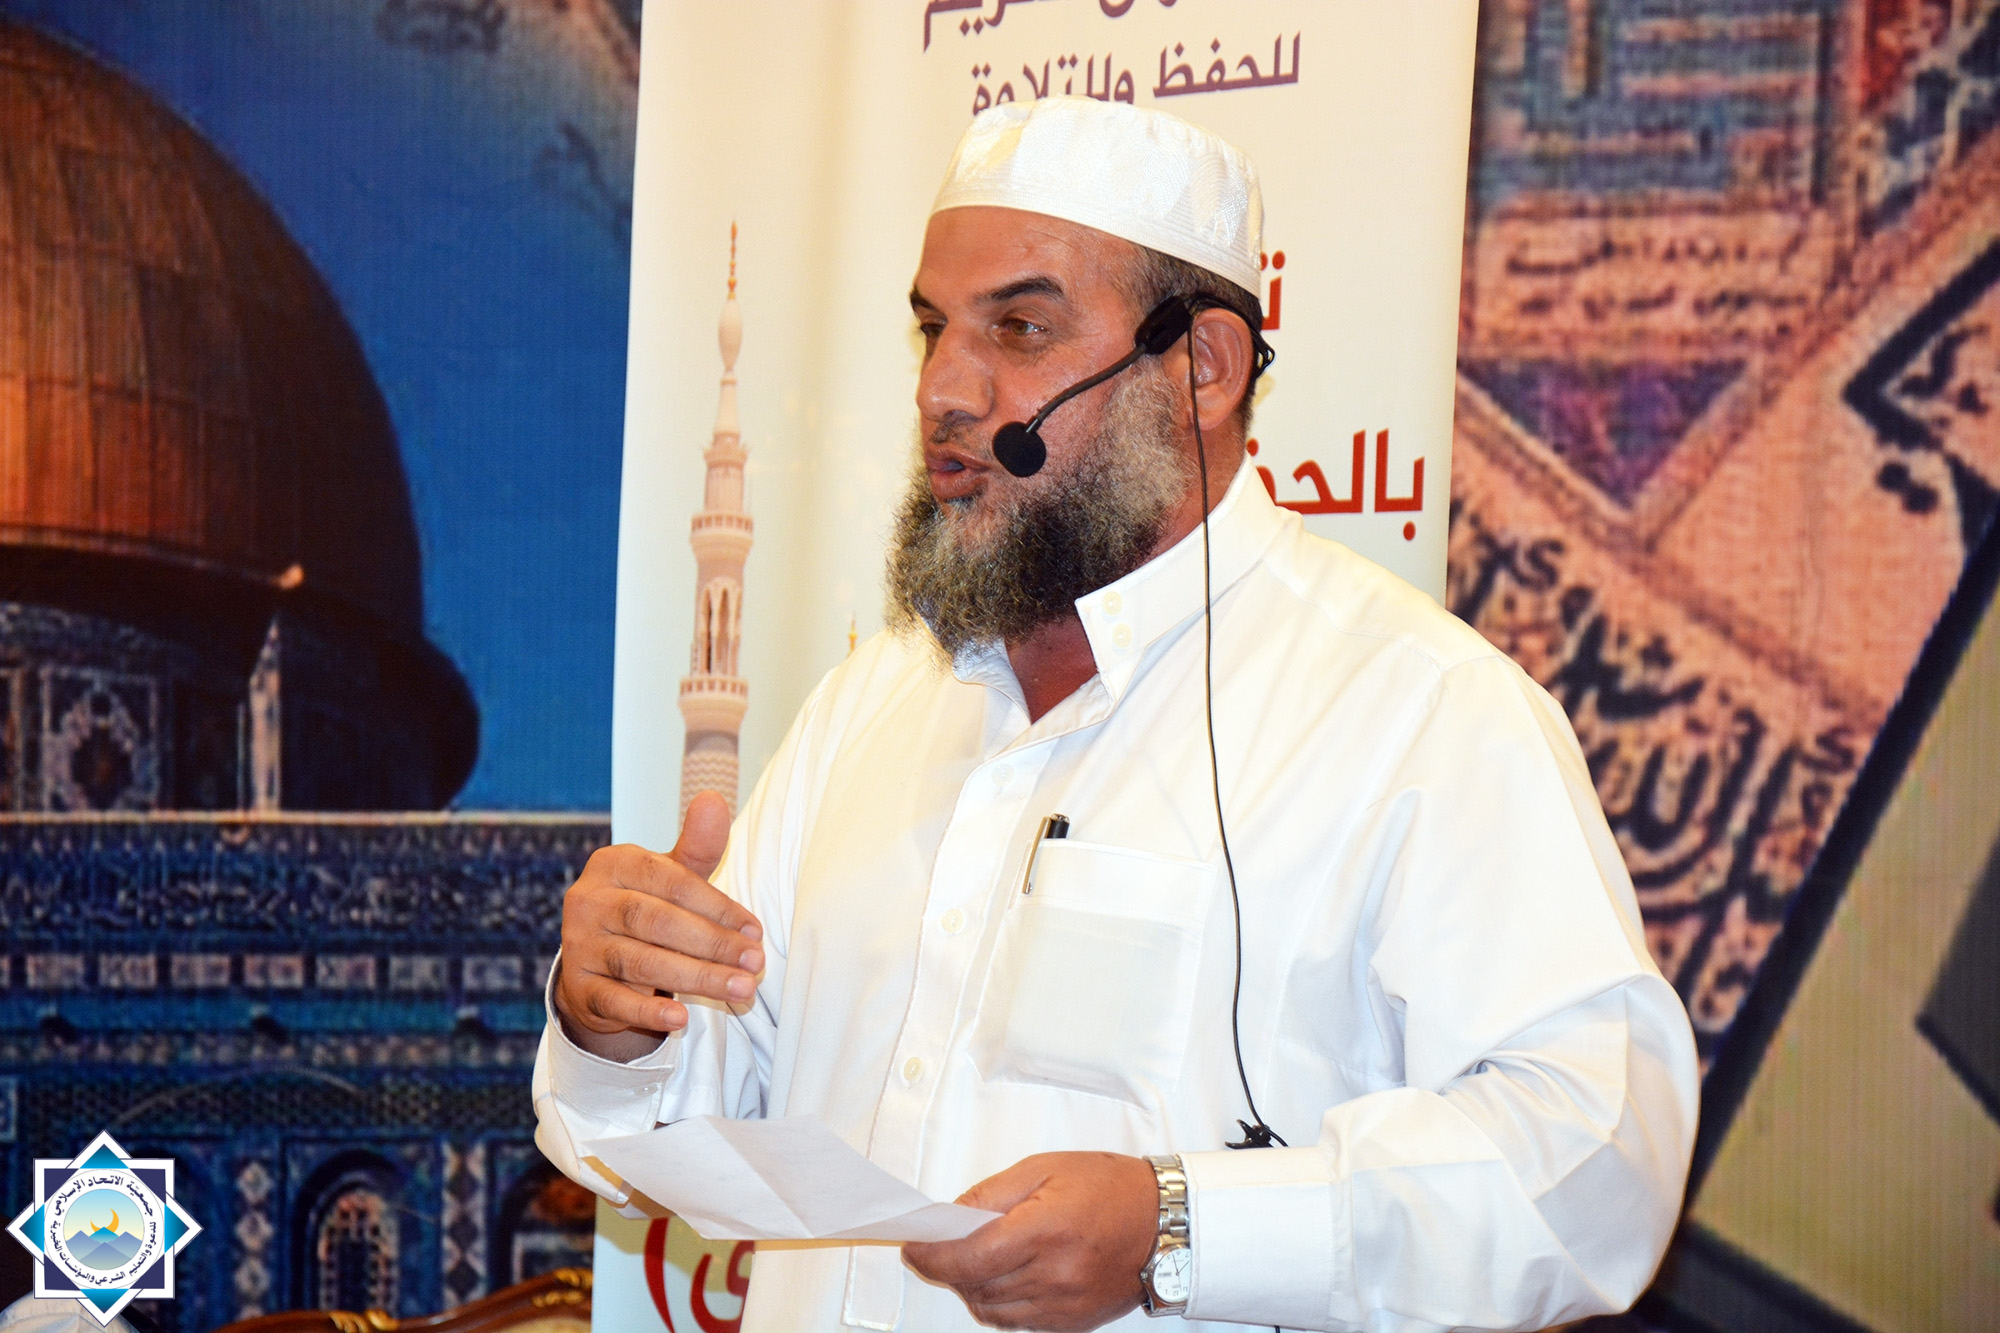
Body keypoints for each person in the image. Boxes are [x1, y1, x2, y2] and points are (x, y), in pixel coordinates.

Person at [533, 97, 1699, 1332]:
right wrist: (617, 1017)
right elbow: (693, 1118)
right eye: (931, 329)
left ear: (1202, 367)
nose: (940, 389)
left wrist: (1181, 1226)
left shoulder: (1418, 711)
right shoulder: (867, 707)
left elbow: (1592, 1165)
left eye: (1019, 328)